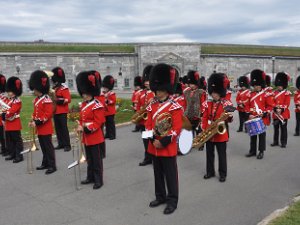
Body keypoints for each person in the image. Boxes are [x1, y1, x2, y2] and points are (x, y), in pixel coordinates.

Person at [145, 63, 182, 215]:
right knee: (157, 174)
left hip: (167, 146)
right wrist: (153, 139)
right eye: (157, 90)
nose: (158, 93)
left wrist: (163, 141)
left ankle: (172, 201)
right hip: (154, 145)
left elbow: (176, 129)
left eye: (160, 90)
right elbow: (148, 124)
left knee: (171, 176)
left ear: (167, 89)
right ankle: (160, 196)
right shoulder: (152, 105)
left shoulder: (174, 106)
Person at [201, 73, 233, 182]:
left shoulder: (227, 103)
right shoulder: (207, 104)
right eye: (212, 92)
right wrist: (205, 129)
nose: (214, 95)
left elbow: (230, 119)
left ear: (220, 92)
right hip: (209, 132)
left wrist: (229, 116)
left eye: (216, 92)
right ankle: (210, 171)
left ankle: (222, 174)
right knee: (209, 154)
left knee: (221, 155)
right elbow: (204, 117)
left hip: (220, 133)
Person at [76, 71, 105, 190]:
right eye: (83, 93)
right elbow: (82, 119)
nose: (84, 95)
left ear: (91, 92)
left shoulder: (97, 105)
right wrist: (79, 126)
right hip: (86, 137)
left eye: (86, 93)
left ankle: (99, 180)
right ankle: (90, 177)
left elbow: (98, 122)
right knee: (89, 158)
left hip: (94, 136)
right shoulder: (84, 105)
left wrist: (85, 128)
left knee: (96, 160)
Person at [29, 70, 56, 174]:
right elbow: (36, 112)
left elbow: (48, 114)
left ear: (38, 89)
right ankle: (45, 163)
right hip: (40, 128)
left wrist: (38, 122)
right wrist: (33, 119)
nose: (33, 91)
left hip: (46, 127)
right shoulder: (37, 99)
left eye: (34, 89)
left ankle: (52, 165)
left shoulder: (46, 99)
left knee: (48, 147)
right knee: (44, 147)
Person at [245, 69, 274, 160]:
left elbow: (270, 106)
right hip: (252, 117)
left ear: (261, 85)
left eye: (258, 85)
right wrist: (249, 114)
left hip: (262, 118)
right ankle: (252, 151)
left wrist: (264, 113)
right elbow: (247, 106)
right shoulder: (250, 94)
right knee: (253, 135)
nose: (256, 86)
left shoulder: (266, 95)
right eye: (255, 85)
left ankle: (261, 151)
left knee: (261, 136)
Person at [137, 65, 155, 166]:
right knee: (145, 141)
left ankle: (154, 157)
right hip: (144, 122)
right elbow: (139, 107)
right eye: (145, 80)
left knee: (152, 140)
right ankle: (148, 157)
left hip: (152, 122)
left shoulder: (155, 94)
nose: (146, 82)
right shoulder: (141, 93)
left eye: (148, 80)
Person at [3, 77, 24, 163]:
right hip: (9, 123)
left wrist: (5, 113)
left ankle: (19, 156)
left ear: (15, 91)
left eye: (10, 91)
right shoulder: (9, 101)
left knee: (17, 140)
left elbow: (13, 110)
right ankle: (12, 154)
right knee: (10, 140)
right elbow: (6, 109)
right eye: (8, 91)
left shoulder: (17, 101)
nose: (9, 93)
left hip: (14, 122)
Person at [51, 67, 71, 152]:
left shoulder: (64, 88)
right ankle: (61, 143)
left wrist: (58, 100)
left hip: (62, 111)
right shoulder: (54, 88)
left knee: (64, 128)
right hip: (55, 111)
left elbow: (68, 99)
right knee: (58, 128)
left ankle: (67, 145)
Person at [270, 72, 291, 148]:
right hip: (276, 114)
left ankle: (283, 142)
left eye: (280, 86)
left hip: (283, 114)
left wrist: (281, 109)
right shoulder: (274, 93)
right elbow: (272, 102)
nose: (279, 87)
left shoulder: (287, 93)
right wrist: (276, 108)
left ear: (283, 85)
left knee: (283, 129)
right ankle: (275, 141)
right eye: (278, 85)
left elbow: (287, 104)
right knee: (276, 129)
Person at [184, 70, 206, 137]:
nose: (191, 85)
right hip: (188, 113)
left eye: (193, 84)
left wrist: (202, 113)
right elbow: (185, 103)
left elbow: (203, 103)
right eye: (190, 84)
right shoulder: (186, 92)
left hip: (197, 113)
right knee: (189, 130)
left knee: (198, 130)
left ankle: (200, 144)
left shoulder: (201, 92)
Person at [102, 75, 116, 140]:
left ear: (108, 87)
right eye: (104, 88)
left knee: (111, 124)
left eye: (105, 88)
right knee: (106, 124)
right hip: (105, 112)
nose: (104, 89)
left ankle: (112, 135)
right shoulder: (104, 93)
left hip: (110, 112)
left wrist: (107, 100)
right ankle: (107, 134)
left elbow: (113, 101)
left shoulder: (111, 93)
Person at [0, 74, 7, 156]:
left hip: (3, 118)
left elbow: (5, 107)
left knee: (4, 135)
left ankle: (6, 148)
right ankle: (3, 148)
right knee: (1, 135)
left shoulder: (4, 96)